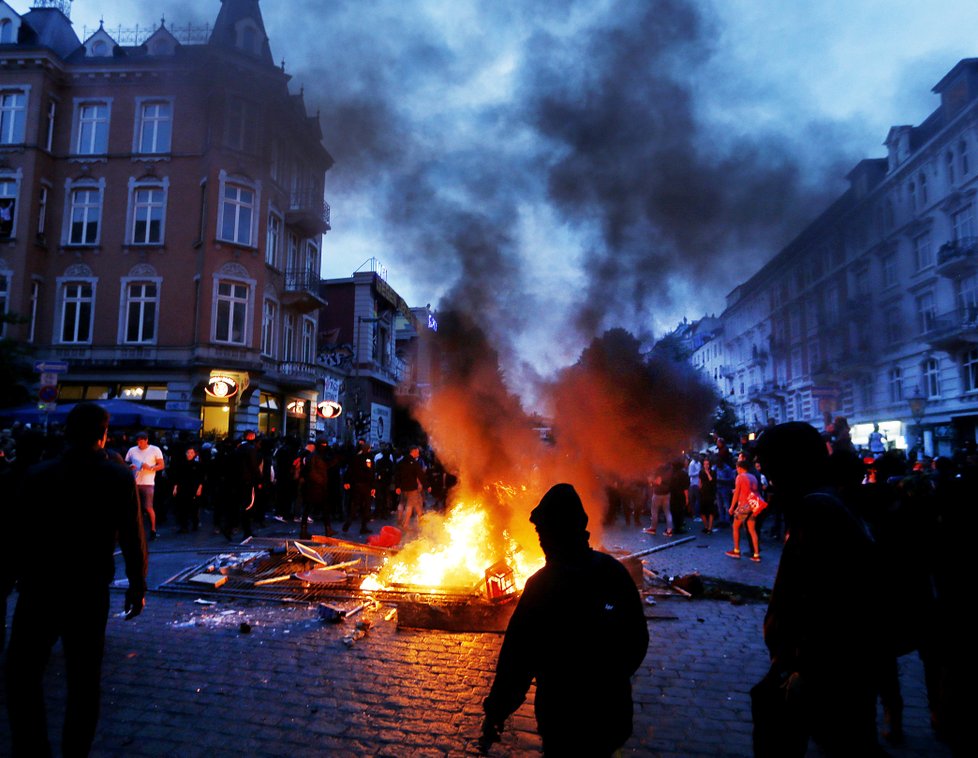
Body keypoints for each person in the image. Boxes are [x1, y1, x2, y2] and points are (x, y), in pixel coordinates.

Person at [4, 402, 147, 757]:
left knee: (22, 674)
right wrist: (137, 584)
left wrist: (8, 578)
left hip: (40, 587)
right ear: (103, 435)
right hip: (89, 587)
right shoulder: (117, 477)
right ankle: (75, 751)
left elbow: (16, 535)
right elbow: (133, 535)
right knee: (84, 680)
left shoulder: (39, 475)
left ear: (67, 433)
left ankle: (31, 747)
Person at [481, 484, 649, 755]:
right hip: (610, 717)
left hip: (561, 719)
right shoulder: (613, 572)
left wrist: (496, 712)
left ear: (555, 532)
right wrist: (611, 679)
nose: (540, 540)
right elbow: (637, 641)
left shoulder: (542, 586)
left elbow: (517, 660)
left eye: (542, 532)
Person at [751, 422, 884, 757]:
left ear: (791, 466)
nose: (770, 483)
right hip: (827, 668)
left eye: (772, 472)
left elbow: (827, 599)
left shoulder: (819, 510)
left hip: (825, 671)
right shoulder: (827, 503)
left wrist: (802, 667)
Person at [125, 431, 165, 539]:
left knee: (148, 506)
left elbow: (161, 465)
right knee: (134, 507)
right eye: (138, 442)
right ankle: (136, 529)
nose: (140, 444)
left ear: (146, 440)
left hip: (148, 483)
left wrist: (151, 468)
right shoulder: (132, 450)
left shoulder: (155, 449)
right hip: (135, 482)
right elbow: (126, 463)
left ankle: (153, 529)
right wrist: (130, 466)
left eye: (142, 442)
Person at [726, 459, 762, 560]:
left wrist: (732, 507)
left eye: (737, 467)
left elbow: (737, 494)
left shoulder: (740, 477)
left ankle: (736, 550)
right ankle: (756, 554)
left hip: (744, 506)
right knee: (752, 529)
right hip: (753, 505)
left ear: (740, 468)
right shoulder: (753, 477)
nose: (736, 469)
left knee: (735, 526)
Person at [170, 445, 204, 533]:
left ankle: (194, 524)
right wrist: (175, 487)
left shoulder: (197, 465)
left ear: (194, 454)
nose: (189, 454)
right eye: (188, 452)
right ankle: (184, 526)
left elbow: (201, 478)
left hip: (193, 488)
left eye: (191, 453)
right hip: (183, 488)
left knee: (194, 507)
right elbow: (177, 477)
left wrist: (199, 488)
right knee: (182, 507)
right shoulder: (181, 464)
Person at [395, 446, 427, 530]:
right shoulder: (414, 463)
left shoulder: (401, 462)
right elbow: (420, 475)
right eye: (417, 452)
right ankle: (405, 524)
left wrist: (397, 486)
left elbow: (397, 475)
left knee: (401, 503)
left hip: (402, 487)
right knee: (409, 505)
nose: (418, 454)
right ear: (413, 452)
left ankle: (399, 519)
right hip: (412, 488)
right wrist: (427, 485)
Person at [698, 457, 717, 533]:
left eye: (707, 464)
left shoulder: (713, 472)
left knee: (711, 511)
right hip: (703, 493)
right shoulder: (701, 472)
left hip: (710, 493)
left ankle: (710, 528)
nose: (706, 465)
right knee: (702, 512)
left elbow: (712, 481)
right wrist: (700, 489)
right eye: (705, 464)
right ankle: (706, 526)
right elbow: (700, 482)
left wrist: (707, 472)